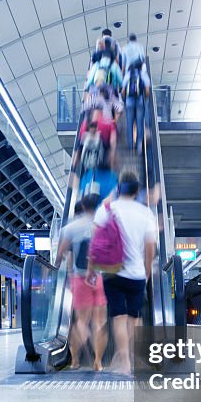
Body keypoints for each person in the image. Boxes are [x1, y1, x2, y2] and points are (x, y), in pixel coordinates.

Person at [92, 171, 156, 375]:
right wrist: (146, 273)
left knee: (118, 317)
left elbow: (95, 241)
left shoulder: (107, 209)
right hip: (137, 274)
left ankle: (125, 362)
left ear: (119, 189)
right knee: (135, 318)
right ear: (137, 191)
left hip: (112, 272)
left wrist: (92, 270)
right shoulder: (146, 213)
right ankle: (135, 358)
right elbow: (150, 248)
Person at [57, 195, 107, 371]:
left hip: (79, 278)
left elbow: (61, 253)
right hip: (99, 277)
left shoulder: (70, 228)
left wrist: (57, 269)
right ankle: (98, 362)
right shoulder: (102, 226)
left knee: (80, 322)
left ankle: (75, 360)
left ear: (83, 207)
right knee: (100, 322)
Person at [72, 121, 117, 201]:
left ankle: (91, 191)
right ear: (89, 129)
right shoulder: (85, 138)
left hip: (96, 162)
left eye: (94, 129)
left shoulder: (99, 138)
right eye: (92, 129)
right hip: (87, 162)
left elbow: (103, 149)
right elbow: (80, 150)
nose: (93, 131)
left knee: (91, 179)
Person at [122, 34, 150, 151]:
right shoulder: (143, 74)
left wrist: (124, 99)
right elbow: (147, 90)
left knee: (129, 123)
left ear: (128, 40)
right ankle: (139, 145)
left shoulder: (128, 74)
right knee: (139, 122)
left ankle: (130, 146)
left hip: (129, 100)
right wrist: (146, 100)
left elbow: (123, 90)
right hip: (139, 99)